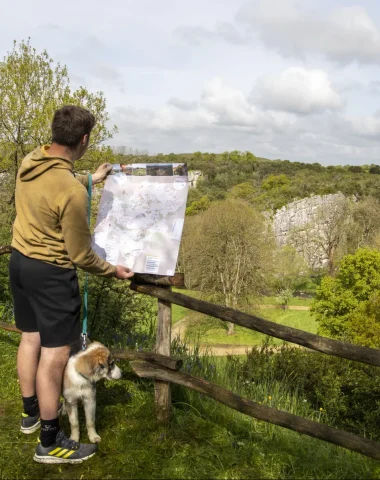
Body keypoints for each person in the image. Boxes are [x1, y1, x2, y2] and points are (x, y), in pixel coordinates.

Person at [8, 105, 134, 464]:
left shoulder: (32, 160)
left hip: (20, 262)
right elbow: (81, 256)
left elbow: (57, 184)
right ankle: (50, 441)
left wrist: (91, 180)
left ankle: (31, 414)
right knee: (54, 356)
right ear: (83, 139)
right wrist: (113, 270)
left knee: (30, 337)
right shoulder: (71, 192)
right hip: (50, 274)